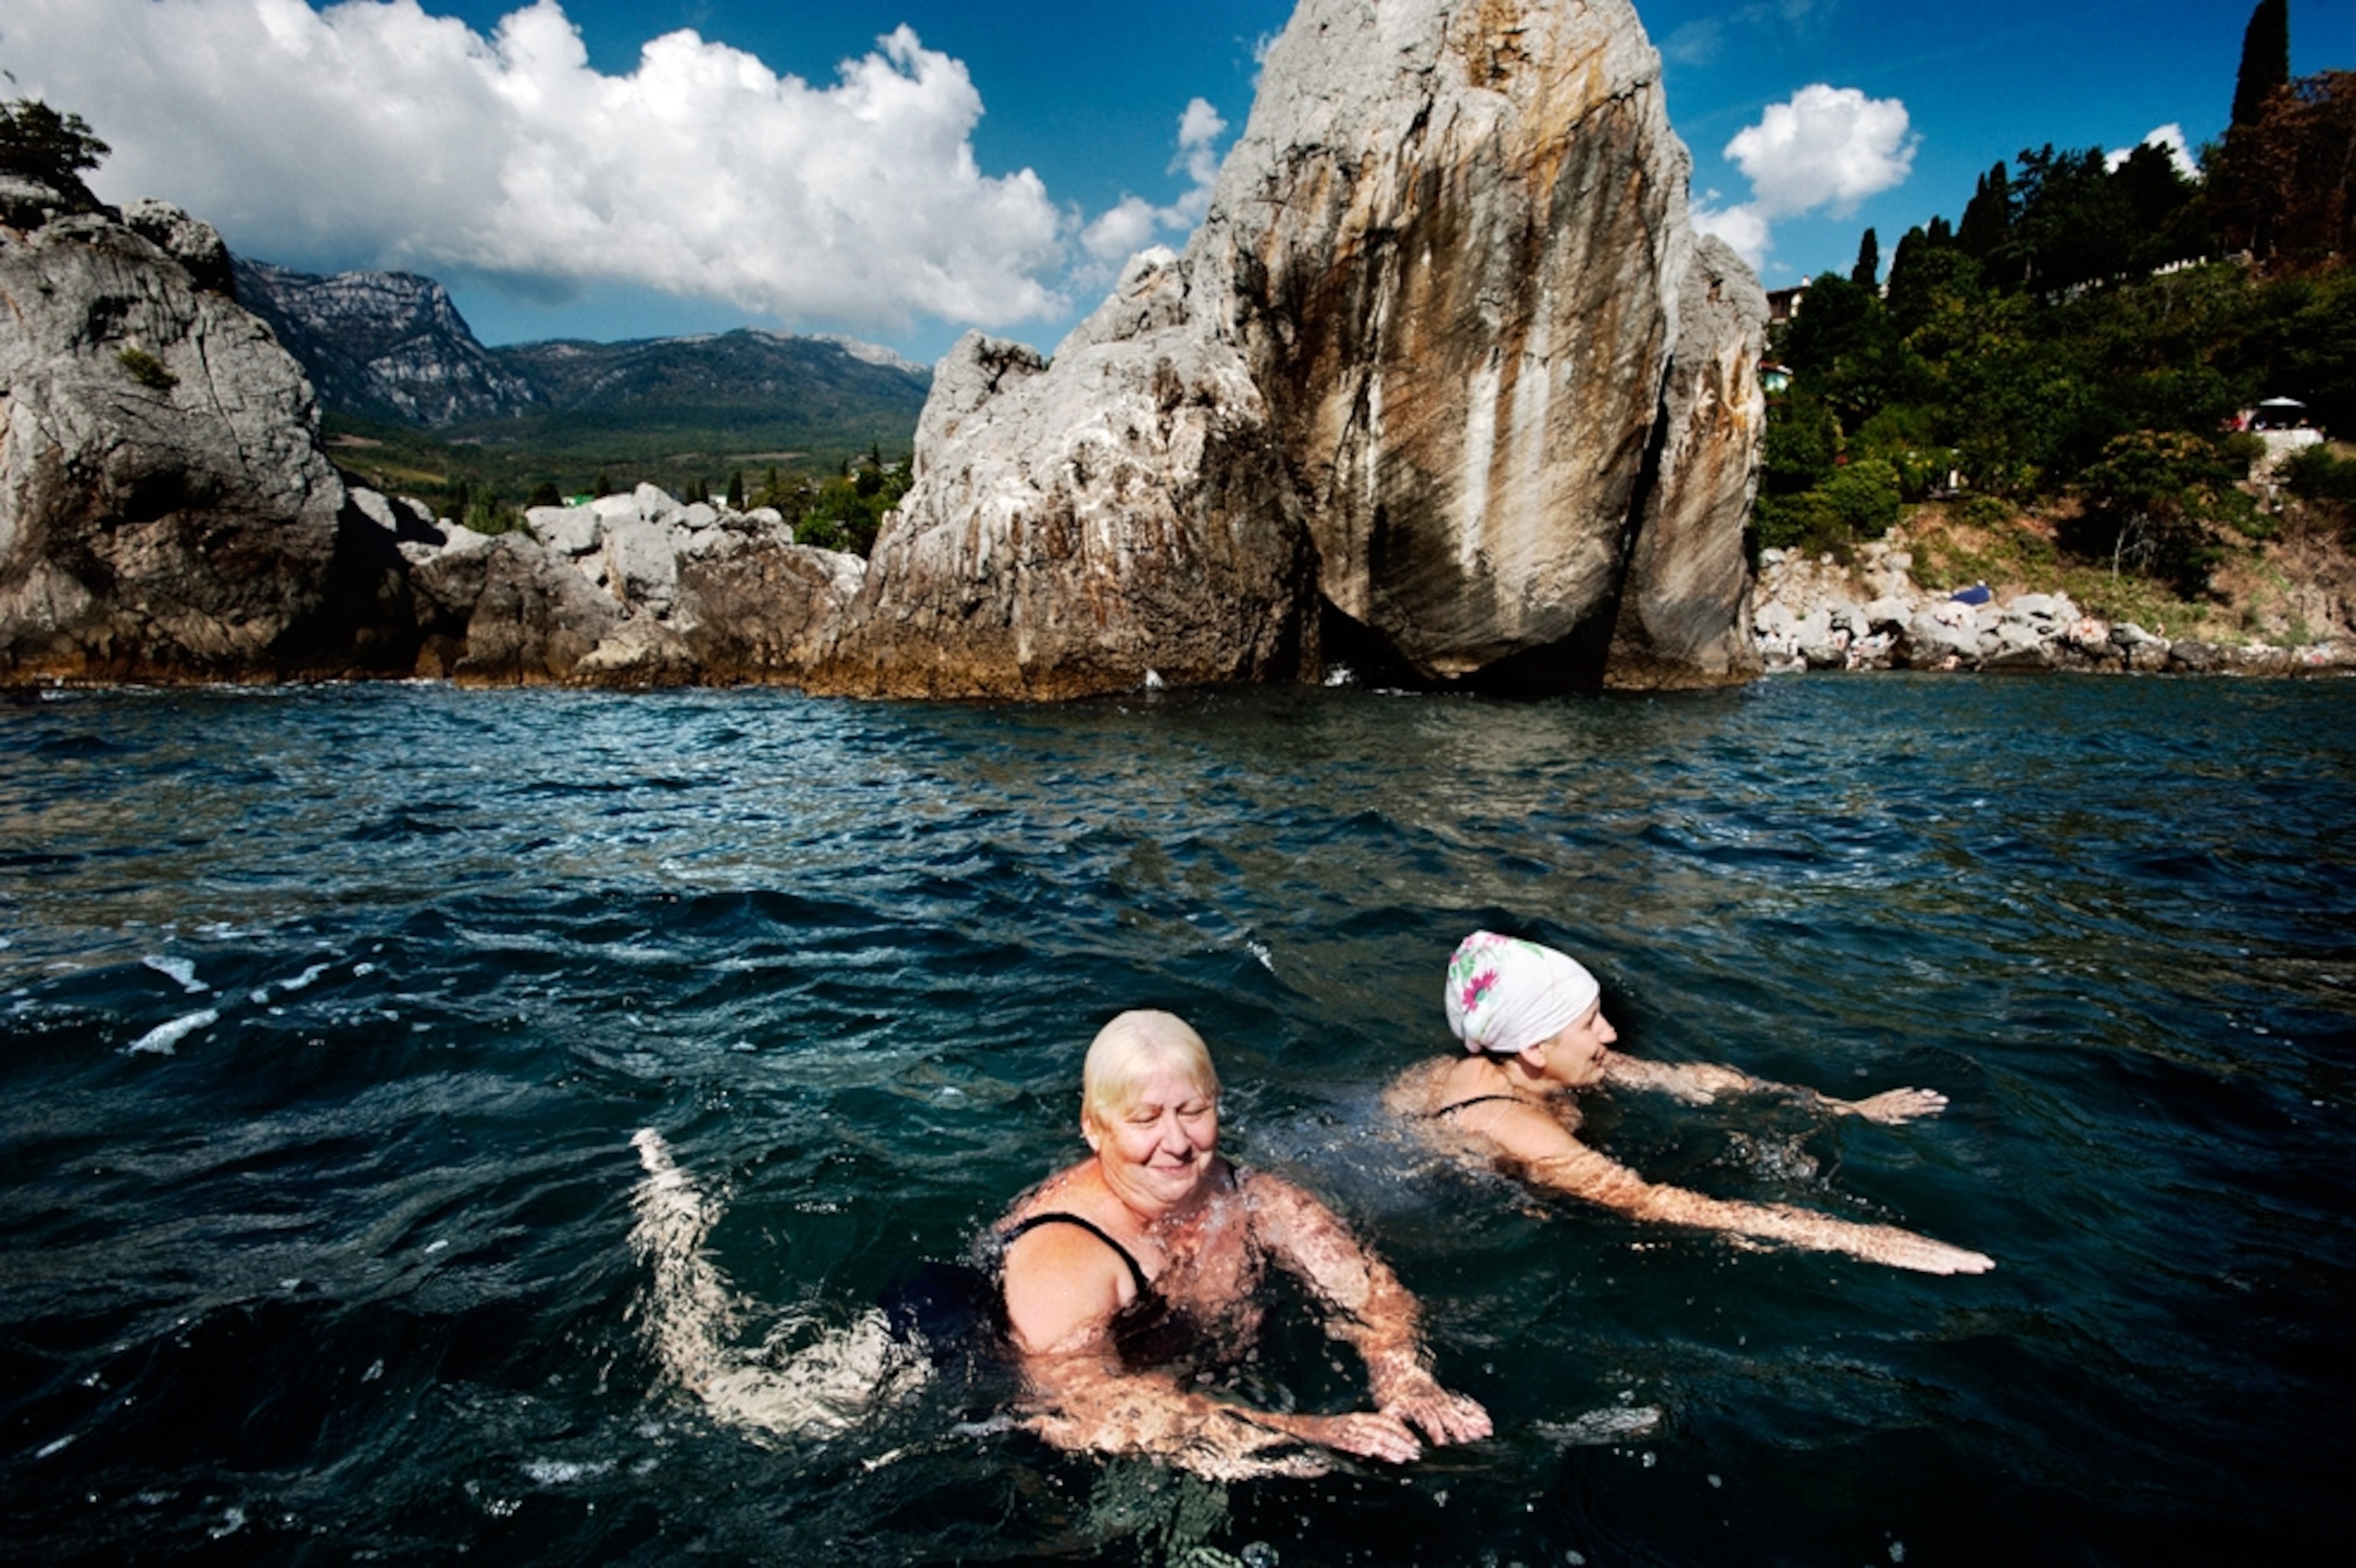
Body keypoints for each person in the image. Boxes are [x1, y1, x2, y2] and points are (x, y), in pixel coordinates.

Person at [999, 1009, 1492, 1474]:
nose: (1175, 1142)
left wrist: (1402, 1376)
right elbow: (1082, 1408)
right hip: (1064, 1455)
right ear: (1094, 1126)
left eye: (1193, 1111)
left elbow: (1367, 1288)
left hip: (1208, 1395)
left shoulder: (1250, 1194)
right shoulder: (1062, 1252)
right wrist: (1301, 1432)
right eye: (1146, 1121)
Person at [1385, 932, 1993, 1276]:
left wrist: (1847, 1108)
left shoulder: (1526, 1059)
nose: (1611, 1035)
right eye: (1591, 1023)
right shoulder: (1513, 1122)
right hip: (1422, 1214)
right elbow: (1651, 1203)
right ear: (1536, 1047)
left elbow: (1696, 1081)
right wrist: (1860, 1239)